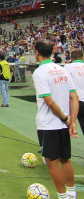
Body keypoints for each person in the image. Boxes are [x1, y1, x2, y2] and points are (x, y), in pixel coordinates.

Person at [33, 39, 79, 199]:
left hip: (50, 123)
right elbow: (74, 96)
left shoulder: (39, 72)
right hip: (64, 123)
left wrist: (65, 118)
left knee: (51, 160)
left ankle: (62, 196)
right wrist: (72, 121)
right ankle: (72, 193)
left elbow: (49, 101)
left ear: (37, 52)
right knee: (65, 158)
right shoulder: (63, 69)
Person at [65, 49, 84, 135]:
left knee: (65, 125)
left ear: (71, 58)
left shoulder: (68, 67)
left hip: (74, 102)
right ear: (82, 57)